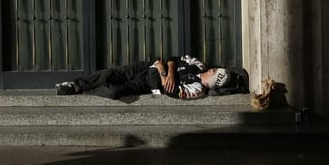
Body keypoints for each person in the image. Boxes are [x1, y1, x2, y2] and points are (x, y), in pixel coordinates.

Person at [55, 55, 231, 100]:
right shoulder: (198, 64)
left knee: (114, 91)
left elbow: (172, 91)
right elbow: (173, 58)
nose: (210, 69)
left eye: (213, 72)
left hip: (147, 84)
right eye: (213, 69)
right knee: (110, 74)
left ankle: (85, 90)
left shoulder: (198, 89)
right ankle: (74, 86)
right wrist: (167, 71)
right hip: (147, 68)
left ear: (213, 78)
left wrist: (166, 73)